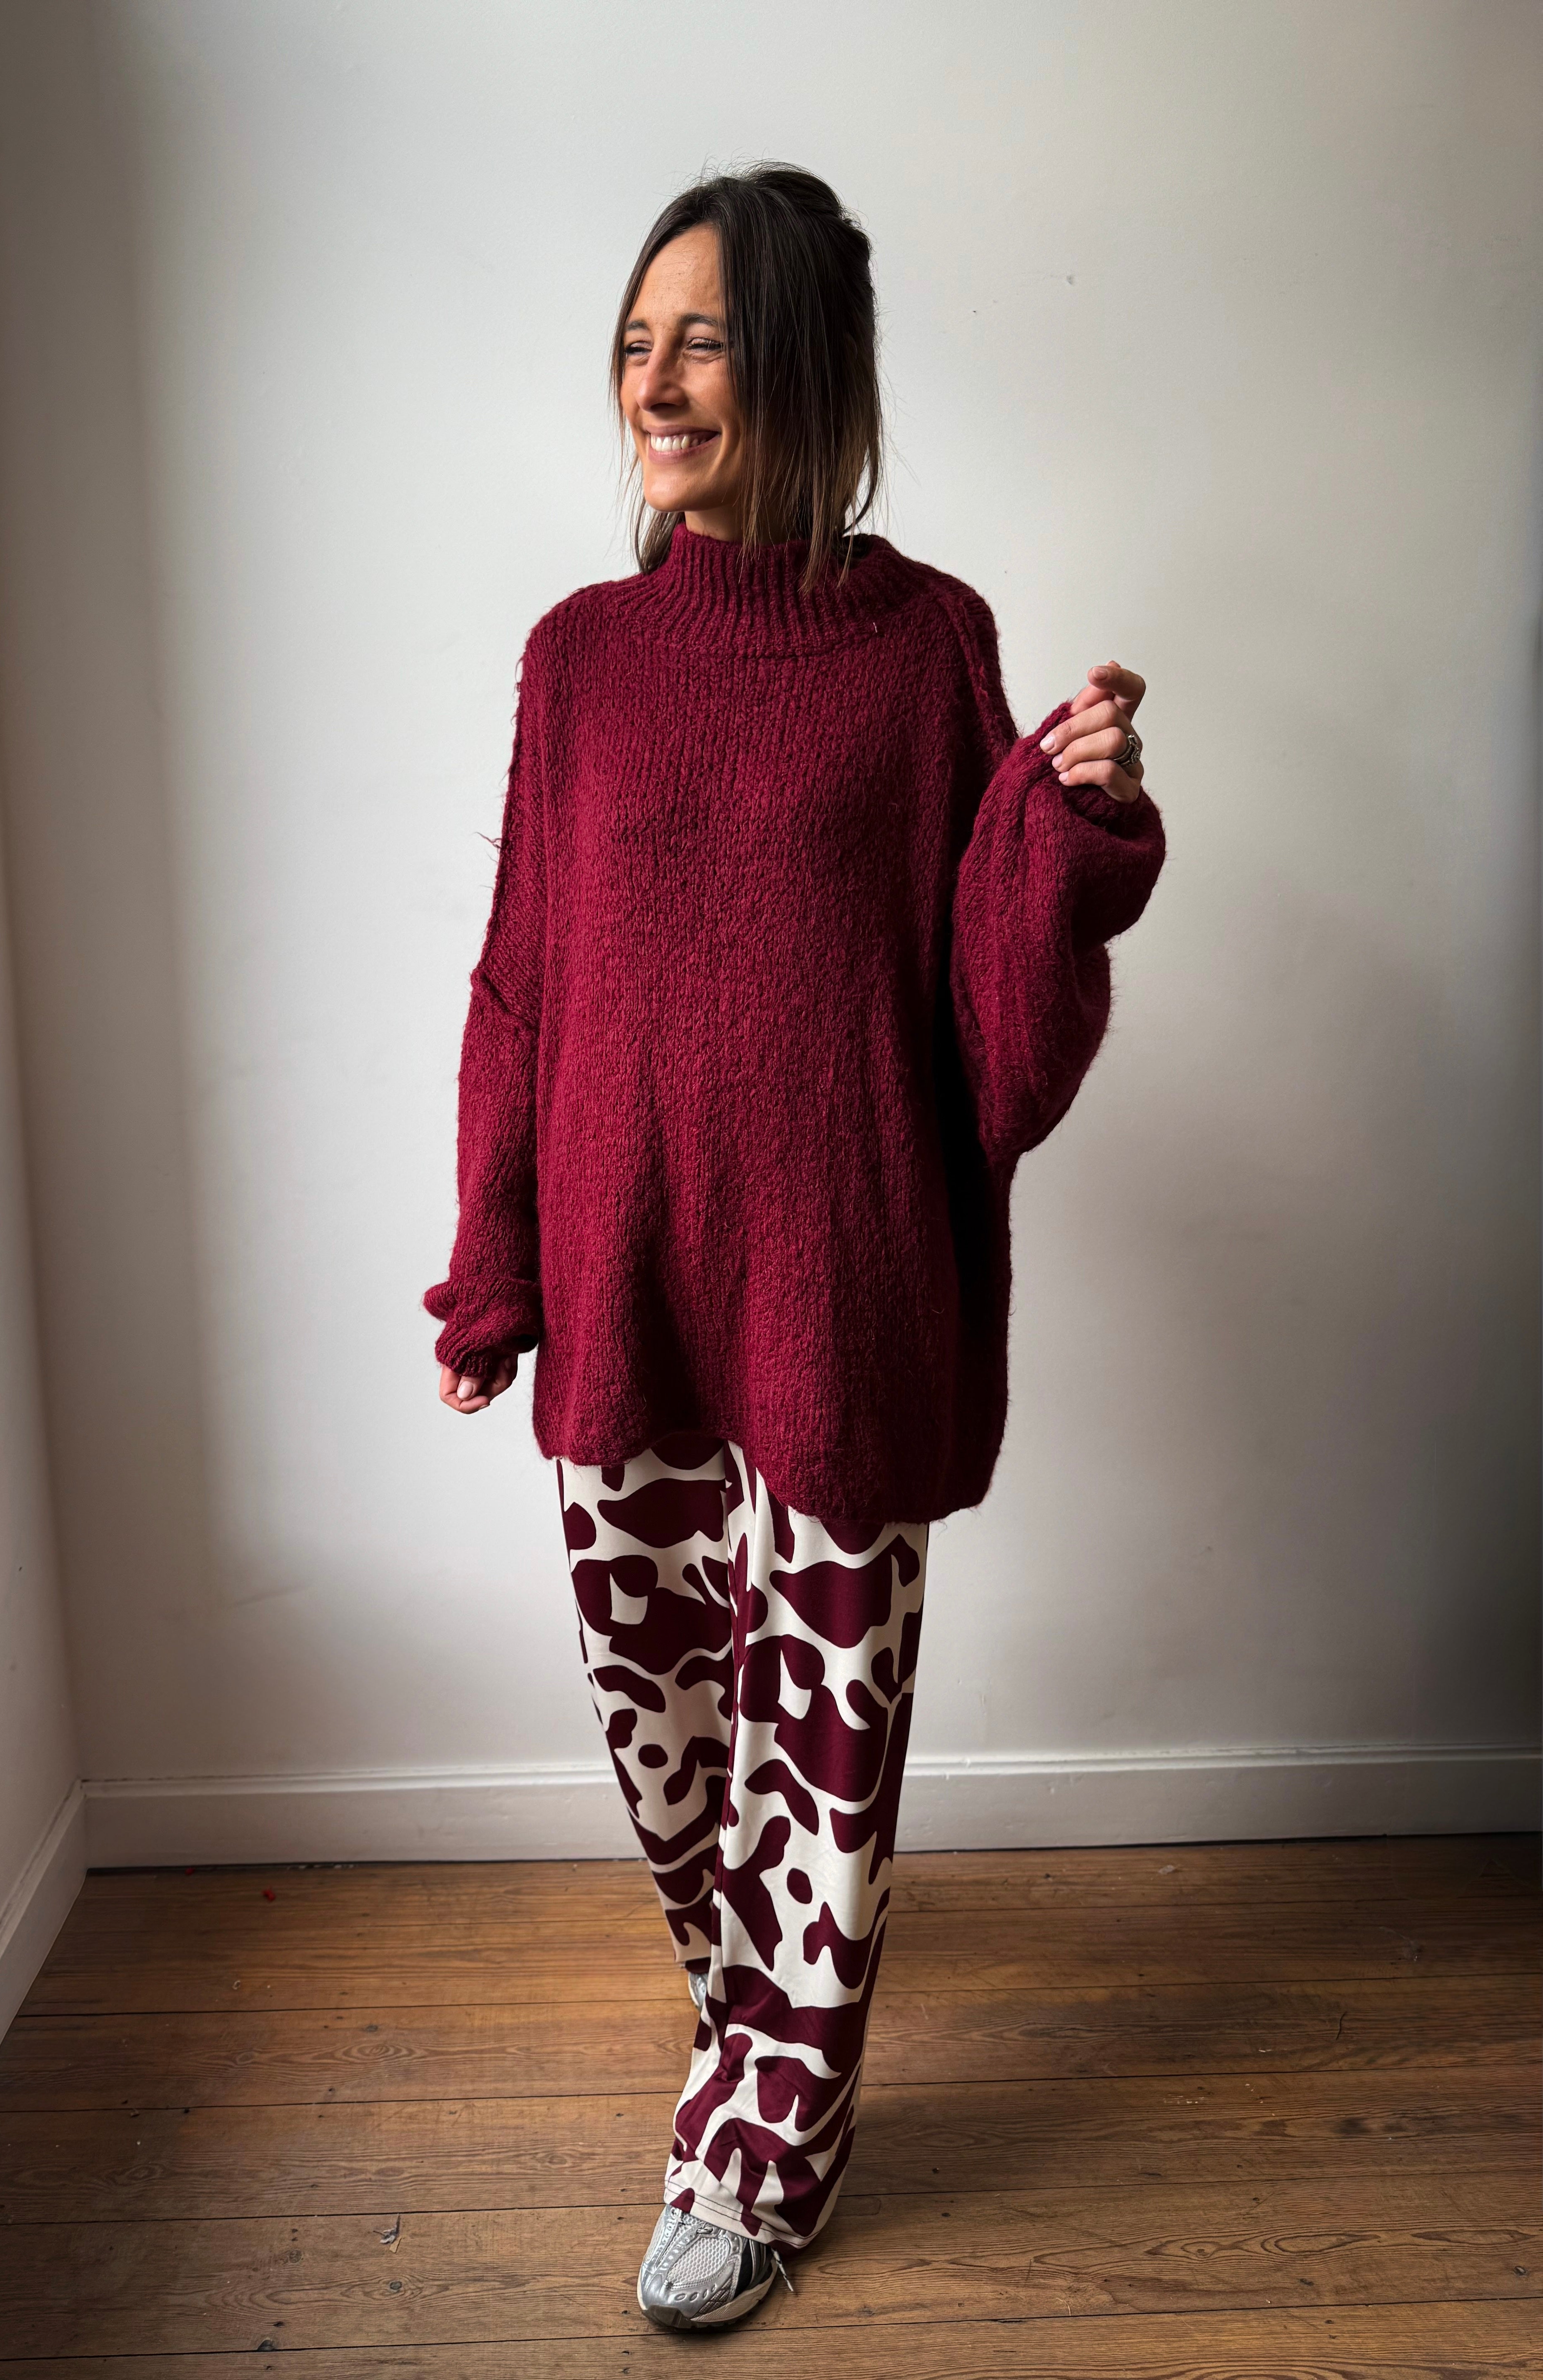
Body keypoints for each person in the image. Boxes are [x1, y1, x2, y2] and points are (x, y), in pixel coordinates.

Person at [425, 163, 1165, 2332]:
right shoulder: (580, 659)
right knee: (672, 1749)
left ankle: (764, 2146)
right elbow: (522, 979)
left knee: (817, 1763)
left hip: (843, 1290)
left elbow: (993, 1025)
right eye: (633, 344)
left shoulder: (928, 649)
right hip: (628, 1283)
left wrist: (1075, 825)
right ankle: (750, 2025)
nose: (653, 383)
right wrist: (496, 1262)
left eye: (704, 341)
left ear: (809, 366)